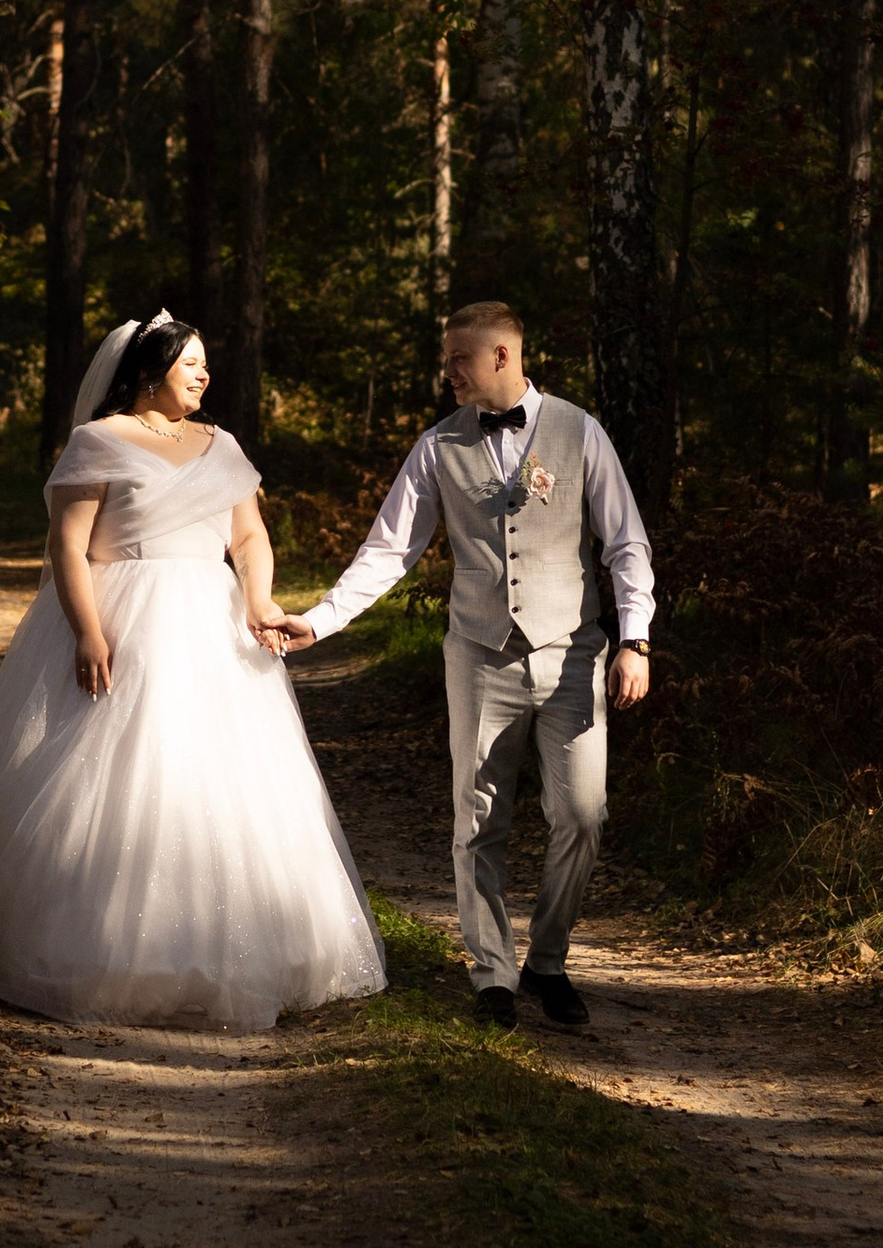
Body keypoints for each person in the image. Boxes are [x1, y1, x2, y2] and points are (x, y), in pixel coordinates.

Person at [0, 312, 385, 1031]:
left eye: (207, 364)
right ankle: (106, 952)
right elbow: (68, 546)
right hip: (127, 616)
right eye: (191, 363)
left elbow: (249, 536)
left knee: (225, 782)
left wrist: (257, 598)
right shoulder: (99, 441)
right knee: (119, 775)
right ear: (150, 370)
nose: (204, 375)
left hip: (213, 629)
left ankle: (237, 951)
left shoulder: (222, 446)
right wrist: (89, 631)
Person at [263, 298, 652, 1029]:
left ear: (503, 356)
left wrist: (635, 640)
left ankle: (548, 961)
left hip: (573, 655)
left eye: (459, 360)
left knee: (584, 813)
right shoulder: (438, 446)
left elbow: (625, 544)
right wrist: (319, 621)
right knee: (477, 820)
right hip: (478, 657)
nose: (448, 374)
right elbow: (388, 549)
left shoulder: (581, 432)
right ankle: (492, 975)